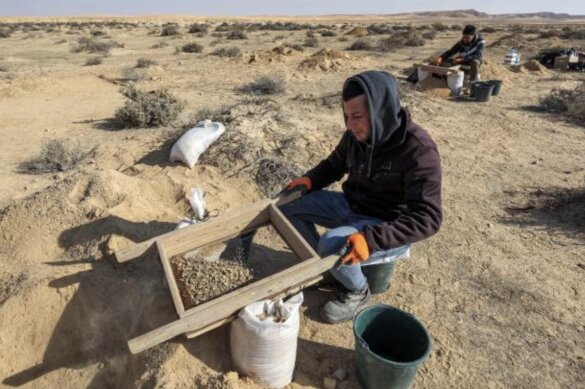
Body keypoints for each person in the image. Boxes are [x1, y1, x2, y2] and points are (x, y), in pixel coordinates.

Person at [280, 70, 442, 324]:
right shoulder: (356, 135)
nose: (349, 125)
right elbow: (334, 165)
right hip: (351, 205)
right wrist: (310, 180)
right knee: (287, 204)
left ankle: (357, 291)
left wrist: (371, 238)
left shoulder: (418, 150)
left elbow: (428, 218)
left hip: (385, 222)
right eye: (346, 116)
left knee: (332, 244)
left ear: (380, 111)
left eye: (356, 116)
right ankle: (323, 270)